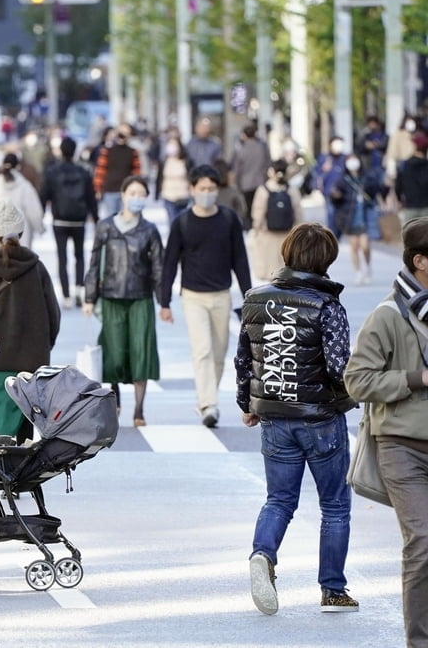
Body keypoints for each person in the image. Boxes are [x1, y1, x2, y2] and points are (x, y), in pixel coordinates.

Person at [235, 223, 358, 616]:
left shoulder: (255, 299)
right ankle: (333, 590)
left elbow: (245, 361)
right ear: (326, 261)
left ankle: (263, 554)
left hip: (274, 417)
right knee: (335, 506)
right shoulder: (326, 305)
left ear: (287, 254)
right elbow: (341, 368)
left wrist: (248, 404)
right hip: (320, 418)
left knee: (279, 499)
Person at [345, 217, 428, 645]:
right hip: (402, 447)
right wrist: (415, 379)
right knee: (423, 541)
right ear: (421, 261)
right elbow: (356, 381)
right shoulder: (387, 315)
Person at [159, 165, 252, 428]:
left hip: (222, 294)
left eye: (212, 189)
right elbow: (170, 263)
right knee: (203, 350)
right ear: (192, 190)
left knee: (220, 353)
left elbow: (240, 259)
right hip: (193, 296)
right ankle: (208, 404)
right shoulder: (182, 222)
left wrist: (249, 296)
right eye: (202, 189)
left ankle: (206, 397)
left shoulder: (229, 219)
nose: (208, 193)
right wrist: (164, 301)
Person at [0, 200, 60, 439]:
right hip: (31, 365)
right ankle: (20, 476)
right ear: (21, 231)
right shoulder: (36, 267)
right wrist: (42, 347)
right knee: (25, 435)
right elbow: (54, 316)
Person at [82, 176, 164, 426]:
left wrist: (164, 302)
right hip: (111, 296)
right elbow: (95, 263)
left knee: (142, 353)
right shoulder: (106, 227)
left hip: (141, 298)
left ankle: (139, 410)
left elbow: (158, 267)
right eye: (133, 193)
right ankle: (115, 395)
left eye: (142, 194)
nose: (137, 198)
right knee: (114, 353)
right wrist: (89, 297)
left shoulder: (150, 230)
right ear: (123, 194)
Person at [40, 137, 97, 309]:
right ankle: (79, 289)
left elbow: (44, 196)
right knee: (79, 255)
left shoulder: (52, 172)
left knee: (62, 257)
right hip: (79, 219)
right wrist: (96, 219)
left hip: (60, 220)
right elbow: (91, 197)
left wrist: (40, 217)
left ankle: (66, 295)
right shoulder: (84, 172)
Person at [0, 154, 45, 252]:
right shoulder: (24, 186)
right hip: (21, 236)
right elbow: (34, 210)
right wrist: (40, 227)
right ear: (18, 166)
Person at [250, 160, 304, 281]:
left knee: (270, 266)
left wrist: (256, 229)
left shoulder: (263, 190)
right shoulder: (291, 190)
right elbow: (298, 212)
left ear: (272, 172)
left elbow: (258, 212)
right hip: (287, 234)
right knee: (285, 264)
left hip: (267, 234)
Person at [330, 154, 375, 284]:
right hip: (349, 217)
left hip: (364, 215)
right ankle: (358, 272)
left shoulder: (366, 177)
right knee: (354, 246)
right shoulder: (343, 180)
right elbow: (335, 198)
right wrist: (335, 196)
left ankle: (367, 266)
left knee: (365, 245)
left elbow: (374, 190)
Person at [93, 124, 142, 220]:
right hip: (111, 189)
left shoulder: (132, 152)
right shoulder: (107, 151)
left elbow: (137, 173)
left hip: (126, 190)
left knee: (126, 218)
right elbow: (100, 172)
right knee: (113, 219)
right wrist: (98, 189)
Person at [229, 124, 272, 229]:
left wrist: (237, 185)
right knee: (261, 208)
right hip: (261, 182)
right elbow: (268, 164)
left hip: (245, 184)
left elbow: (237, 170)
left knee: (248, 211)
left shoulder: (240, 149)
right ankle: (259, 228)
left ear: (244, 135)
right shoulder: (262, 147)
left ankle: (250, 231)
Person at [156, 137, 192, 226]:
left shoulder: (186, 161)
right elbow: (159, 178)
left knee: (183, 223)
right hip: (168, 195)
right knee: (172, 222)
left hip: (183, 196)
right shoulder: (164, 161)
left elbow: (190, 176)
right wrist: (156, 194)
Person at [396, 132, 428, 224]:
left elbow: (398, 186)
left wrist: (399, 199)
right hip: (426, 208)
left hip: (410, 207)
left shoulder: (404, 165)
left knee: (410, 236)